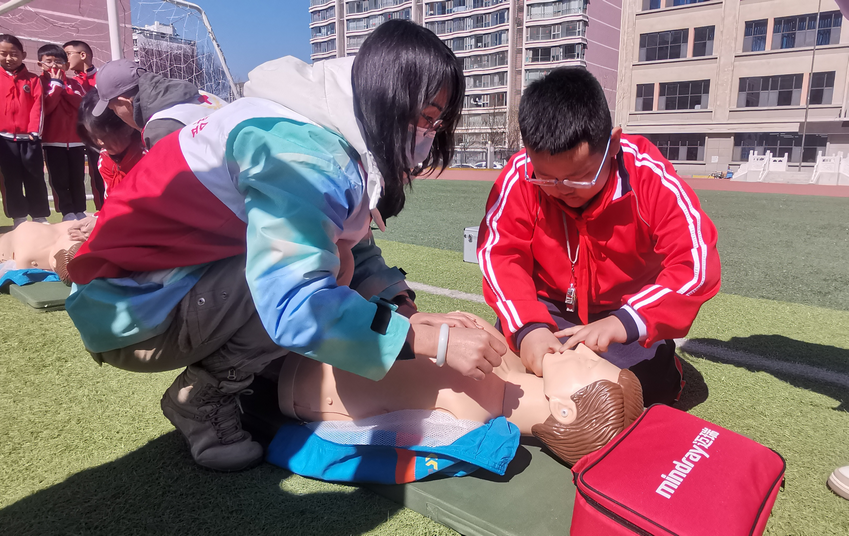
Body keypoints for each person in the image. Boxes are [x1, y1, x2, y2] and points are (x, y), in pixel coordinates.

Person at [64, 20, 505, 472]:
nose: (430, 134)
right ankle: (203, 397)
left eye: (437, 122)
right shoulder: (302, 153)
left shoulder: (321, 124)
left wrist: (405, 310)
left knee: (334, 259)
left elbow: (352, 239)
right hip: (130, 312)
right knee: (322, 272)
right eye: (426, 118)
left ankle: (253, 364)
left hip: (157, 284)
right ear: (388, 98)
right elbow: (297, 301)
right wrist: (430, 340)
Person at [477, 67, 721, 406]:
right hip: (548, 305)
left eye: (580, 177)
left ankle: (660, 363)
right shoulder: (520, 176)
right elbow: (500, 254)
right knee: (502, 372)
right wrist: (529, 326)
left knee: (635, 393)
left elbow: (696, 262)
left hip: (624, 311)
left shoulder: (646, 175)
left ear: (614, 144)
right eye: (546, 178)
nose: (562, 190)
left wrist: (626, 321)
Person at [280, 315, 644, 466]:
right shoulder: (504, 365)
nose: (585, 351)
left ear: (564, 409)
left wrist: (429, 337)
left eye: (588, 366)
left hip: (293, 366)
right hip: (319, 329)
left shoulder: (467, 413)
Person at [0, 34, 50, 229]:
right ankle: (18, 217)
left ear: (23, 55)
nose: (9, 58)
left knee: (35, 176)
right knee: (11, 178)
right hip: (3, 138)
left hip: (29, 138)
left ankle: (39, 216)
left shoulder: (33, 79)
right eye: (3, 53)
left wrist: (34, 132)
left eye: (14, 54)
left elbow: (38, 107)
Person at [92, 59, 225, 150]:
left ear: (125, 103)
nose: (116, 115)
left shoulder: (158, 129)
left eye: (113, 109)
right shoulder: (203, 95)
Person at [38, 44, 87, 222]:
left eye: (58, 61)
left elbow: (82, 105)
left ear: (66, 65)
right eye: (49, 61)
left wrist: (63, 89)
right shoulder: (39, 83)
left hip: (76, 140)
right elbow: (45, 108)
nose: (54, 65)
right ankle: (67, 212)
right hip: (53, 141)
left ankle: (80, 210)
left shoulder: (75, 84)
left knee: (77, 178)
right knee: (59, 179)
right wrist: (56, 86)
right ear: (40, 64)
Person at [76, 89, 145, 199]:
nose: (100, 142)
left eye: (104, 136)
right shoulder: (105, 159)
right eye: (93, 137)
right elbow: (112, 200)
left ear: (127, 127)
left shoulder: (149, 153)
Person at [64, 40, 103, 210]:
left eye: (67, 54)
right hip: (82, 138)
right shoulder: (70, 82)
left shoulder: (103, 77)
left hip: (106, 134)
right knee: (94, 175)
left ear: (82, 55)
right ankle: (102, 210)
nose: (64, 59)